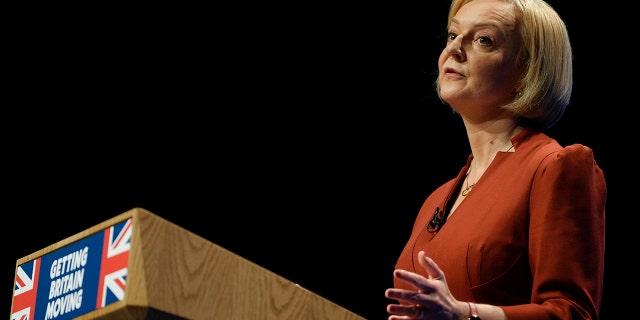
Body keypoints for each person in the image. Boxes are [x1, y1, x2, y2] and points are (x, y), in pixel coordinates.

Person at [384, 0, 606, 319]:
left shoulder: (555, 166)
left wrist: (465, 314)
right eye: (452, 35)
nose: (455, 50)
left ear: (528, 70)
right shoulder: (439, 198)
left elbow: (571, 312)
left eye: (483, 40)